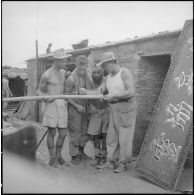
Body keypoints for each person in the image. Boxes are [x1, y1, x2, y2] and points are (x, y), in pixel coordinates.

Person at [80, 52, 137, 173]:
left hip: (126, 108)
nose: (104, 69)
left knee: (124, 138)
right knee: (111, 137)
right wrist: (86, 92)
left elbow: (131, 92)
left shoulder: (124, 73)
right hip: (113, 109)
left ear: (112, 62)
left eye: (105, 66)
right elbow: (99, 92)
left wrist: (115, 95)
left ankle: (122, 163)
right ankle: (110, 161)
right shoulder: (108, 77)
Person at [37, 50, 71, 168]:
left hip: (62, 104)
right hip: (51, 105)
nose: (65, 62)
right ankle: (52, 158)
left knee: (63, 133)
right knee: (52, 132)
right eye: (63, 60)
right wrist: (45, 98)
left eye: (65, 60)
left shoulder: (63, 72)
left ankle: (58, 156)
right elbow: (39, 91)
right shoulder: (47, 74)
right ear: (56, 60)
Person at [64, 55, 92, 165]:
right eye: (80, 68)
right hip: (74, 109)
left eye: (84, 69)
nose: (82, 71)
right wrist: (76, 106)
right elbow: (65, 96)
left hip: (84, 108)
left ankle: (81, 152)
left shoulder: (86, 76)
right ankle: (74, 155)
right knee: (75, 132)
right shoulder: (71, 79)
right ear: (76, 65)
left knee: (85, 131)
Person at [87, 66, 109, 167]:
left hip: (106, 111)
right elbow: (85, 96)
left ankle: (104, 157)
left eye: (99, 72)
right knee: (95, 135)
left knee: (105, 135)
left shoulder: (107, 80)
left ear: (103, 72)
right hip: (95, 112)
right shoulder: (89, 82)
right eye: (94, 72)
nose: (96, 75)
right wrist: (89, 104)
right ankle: (97, 156)